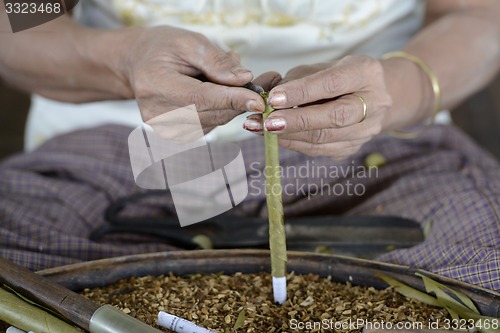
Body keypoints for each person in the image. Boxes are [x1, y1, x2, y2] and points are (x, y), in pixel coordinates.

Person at [0, 0, 498, 291]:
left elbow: (474, 13)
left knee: (475, 282)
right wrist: (121, 61)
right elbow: (17, 15)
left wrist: (396, 89)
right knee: (25, 282)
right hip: (119, 145)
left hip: (373, 143)